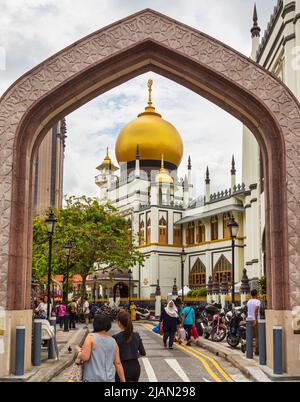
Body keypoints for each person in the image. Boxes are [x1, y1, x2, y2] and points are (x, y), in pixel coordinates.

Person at [76, 315, 126, 383]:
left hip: (92, 378)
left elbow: (84, 357)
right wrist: (123, 380)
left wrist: (78, 351)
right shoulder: (113, 341)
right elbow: (118, 363)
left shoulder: (90, 338)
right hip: (109, 379)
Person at [113, 311, 146, 382]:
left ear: (119, 323)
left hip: (122, 367)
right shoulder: (136, 335)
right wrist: (133, 354)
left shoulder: (116, 337)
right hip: (136, 368)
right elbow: (143, 352)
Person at [247, 289, 261, 355]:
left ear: (251, 294)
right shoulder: (257, 301)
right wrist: (255, 320)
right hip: (255, 319)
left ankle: (249, 351)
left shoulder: (249, 301)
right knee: (257, 336)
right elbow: (256, 310)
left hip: (249, 320)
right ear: (256, 294)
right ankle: (256, 351)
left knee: (250, 335)